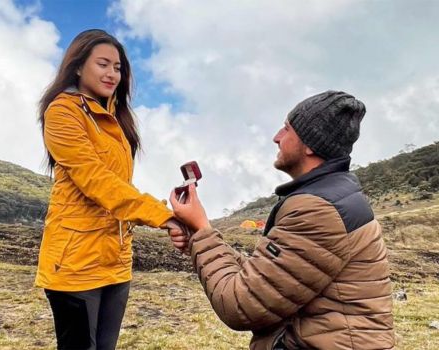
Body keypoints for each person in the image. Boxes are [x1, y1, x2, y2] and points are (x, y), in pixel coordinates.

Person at [170, 91, 395, 349]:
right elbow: (268, 279)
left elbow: (240, 304)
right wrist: (198, 238)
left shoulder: (318, 211)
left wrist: (202, 230)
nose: (276, 137)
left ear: (310, 144)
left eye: (287, 129)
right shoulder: (330, 197)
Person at [35, 29, 181, 350]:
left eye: (118, 67)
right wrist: (163, 217)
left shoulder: (116, 117)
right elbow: (97, 181)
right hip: (75, 263)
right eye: (103, 64)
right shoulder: (63, 112)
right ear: (77, 66)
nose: (112, 74)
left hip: (115, 261)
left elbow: (120, 186)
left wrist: (167, 211)